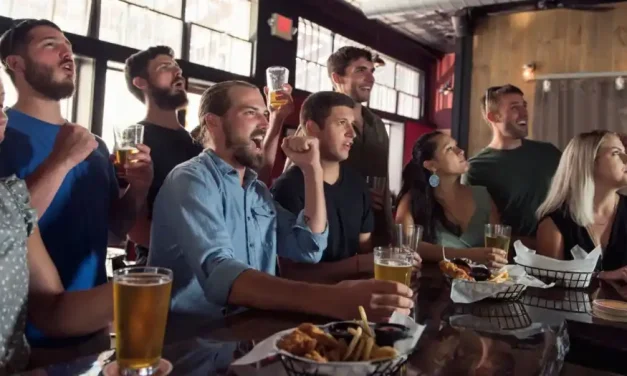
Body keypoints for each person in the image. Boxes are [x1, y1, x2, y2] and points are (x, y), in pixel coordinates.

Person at [149, 80, 413, 322]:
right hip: (191, 340)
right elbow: (221, 274)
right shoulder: (191, 179)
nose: (265, 124)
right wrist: (334, 298)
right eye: (250, 112)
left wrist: (313, 170)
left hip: (246, 332)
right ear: (213, 122)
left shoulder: (256, 191)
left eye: (265, 115)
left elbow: (308, 246)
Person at [0, 19, 152, 349]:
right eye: (50, 45)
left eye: (67, 45)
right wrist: (62, 161)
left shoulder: (93, 144)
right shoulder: (3, 135)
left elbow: (116, 228)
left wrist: (138, 189)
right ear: (16, 64)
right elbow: (6, 227)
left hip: (92, 327)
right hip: (19, 341)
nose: (67, 52)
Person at [0, 74, 112, 375]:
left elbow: (50, 309)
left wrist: (142, 293)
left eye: (0, 103)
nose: (1, 118)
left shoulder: (10, 198)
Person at [284, 47, 392, 246]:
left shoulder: (376, 124)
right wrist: (351, 193)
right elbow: (296, 175)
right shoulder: (318, 122)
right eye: (360, 71)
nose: (370, 78)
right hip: (333, 233)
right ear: (337, 78)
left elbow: (383, 176)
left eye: (372, 71)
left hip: (375, 229)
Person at [272, 91, 378, 283]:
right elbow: (291, 274)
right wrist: (360, 264)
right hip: (306, 304)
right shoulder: (288, 187)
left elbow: (365, 249)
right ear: (312, 128)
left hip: (355, 299)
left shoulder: (357, 183)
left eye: (352, 124)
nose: (352, 133)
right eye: (341, 123)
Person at [123, 46, 203, 259]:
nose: (178, 72)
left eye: (176, 66)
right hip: (158, 268)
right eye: (165, 67)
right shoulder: (134, 139)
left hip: (204, 267)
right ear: (141, 82)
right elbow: (134, 230)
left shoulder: (196, 143)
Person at [462, 85, 561, 249]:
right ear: (494, 117)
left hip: (559, 255)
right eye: (515, 107)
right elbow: (478, 230)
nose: (524, 113)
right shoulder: (476, 168)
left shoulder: (550, 153)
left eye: (524, 106)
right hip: (511, 263)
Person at [396, 131, 508, 269]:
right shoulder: (413, 199)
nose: (461, 151)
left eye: (457, 146)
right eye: (449, 149)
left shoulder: (482, 195)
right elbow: (407, 245)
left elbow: (498, 245)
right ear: (432, 165)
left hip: (483, 284)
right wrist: (467, 254)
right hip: (434, 286)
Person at [536, 130, 627, 281]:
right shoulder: (554, 224)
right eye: (616, 153)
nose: (626, 158)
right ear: (588, 162)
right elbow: (548, 290)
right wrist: (602, 276)